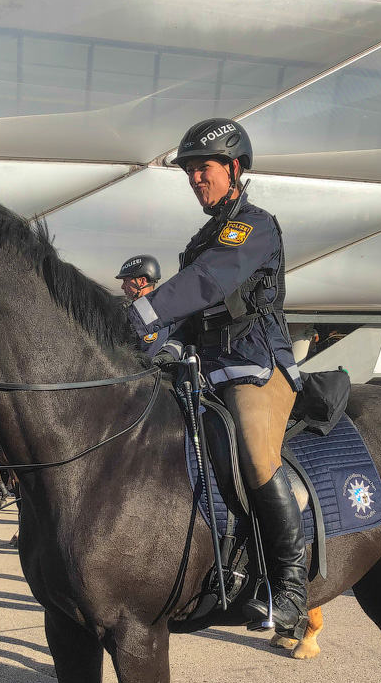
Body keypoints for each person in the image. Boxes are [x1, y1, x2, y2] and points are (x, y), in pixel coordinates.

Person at [126, 117, 306, 636]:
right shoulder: (203, 237)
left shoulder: (252, 227)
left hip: (255, 367)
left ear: (232, 167)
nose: (195, 179)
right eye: (189, 172)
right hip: (204, 373)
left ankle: (289, 585)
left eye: (203, 168)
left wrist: (142, 312)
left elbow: (209, 282)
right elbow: (187, 314)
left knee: (254, 452)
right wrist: (143, 346)